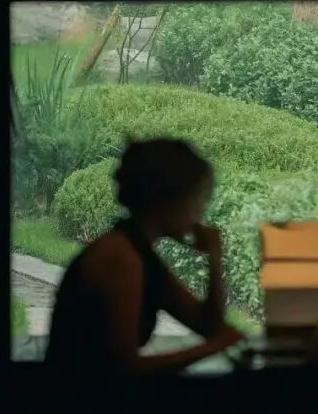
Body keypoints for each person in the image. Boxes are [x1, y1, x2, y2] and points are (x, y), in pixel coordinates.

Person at [46, 138, 243, 375]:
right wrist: (212, 347)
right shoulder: (119, 258)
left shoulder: (140, 252)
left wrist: (214, 258)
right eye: (197, 201)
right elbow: (124, 368)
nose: (199, 214)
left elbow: (209, 325)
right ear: (170, 199)